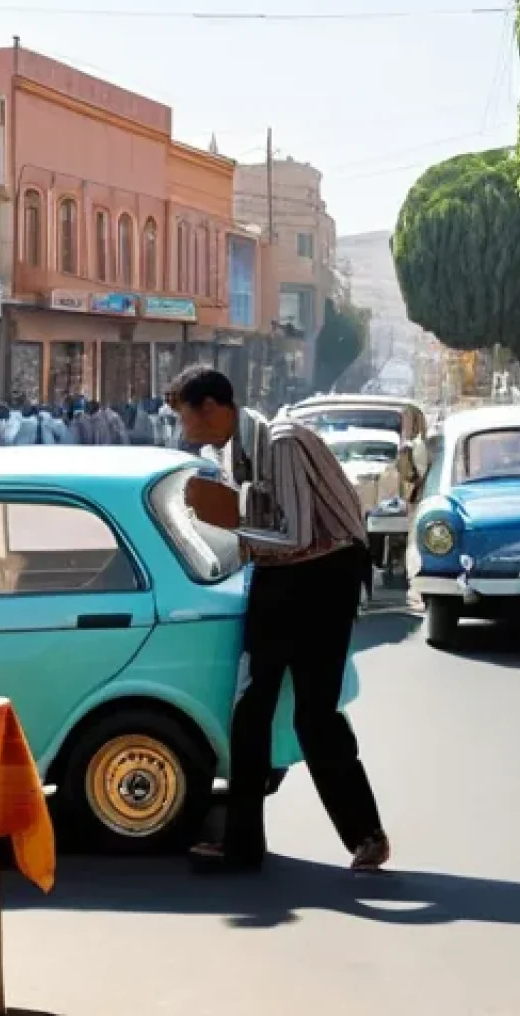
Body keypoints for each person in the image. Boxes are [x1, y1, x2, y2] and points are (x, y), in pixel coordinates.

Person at [169, 365, 389, 874]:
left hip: (323, 578)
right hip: (280, 578)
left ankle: (366, 835)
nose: (184, 430)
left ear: (211, 408)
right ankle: (241, 846)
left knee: (314, 716)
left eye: (185, 417)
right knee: (250, 711)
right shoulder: (236, 453)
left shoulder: (282, 443)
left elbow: (295, 536)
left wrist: (230, 531)